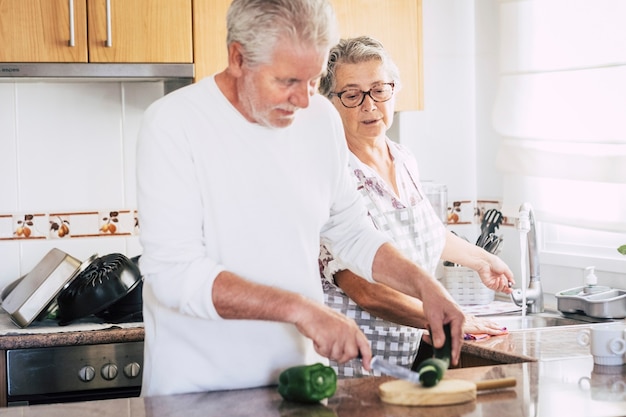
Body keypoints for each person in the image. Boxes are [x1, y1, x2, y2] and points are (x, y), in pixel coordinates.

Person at [136, 0, 473, 397]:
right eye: (287, 81)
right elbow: (175, 275)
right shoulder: (174, 125)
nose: (303, 99)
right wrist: (302, 309)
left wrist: (426, 287)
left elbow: (352, 233)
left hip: (302, 381)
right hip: (199, 387)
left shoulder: (320, 119)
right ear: (237, 57)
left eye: (313, 81)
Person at [318, 36, 515, 377]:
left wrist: (482, 259)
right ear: (330, 103)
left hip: (400, 359)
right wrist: (448, 315)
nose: (369, 105)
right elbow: (364, 289)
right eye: (352, 95)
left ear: (394, 90)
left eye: (380, 89)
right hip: (344, 366)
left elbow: (426, 232)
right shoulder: (330, 173)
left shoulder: (404, 158)